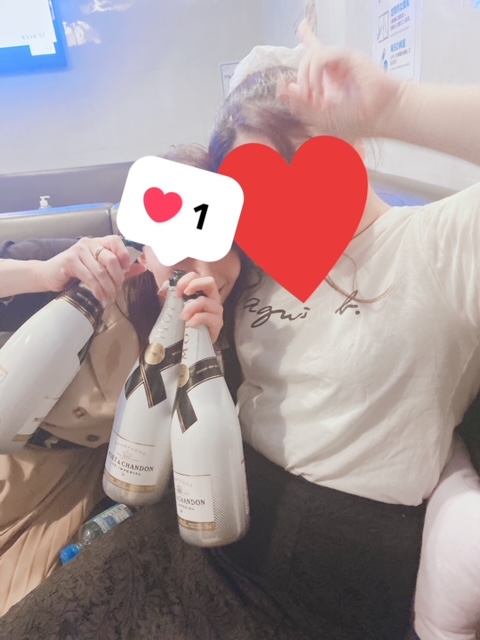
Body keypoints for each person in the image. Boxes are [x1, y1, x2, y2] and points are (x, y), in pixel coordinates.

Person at [1, 23, 480, 640]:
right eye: (251, 185)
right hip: (202, 516)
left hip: (329, 570)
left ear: (349, 140)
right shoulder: (256, 265)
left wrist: (396, 107)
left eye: (294, 155)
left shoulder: (436, 246)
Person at [0, 144, 244, 616]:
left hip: (78, 487)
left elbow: (200, 455)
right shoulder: (99, 267)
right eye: (178, 244)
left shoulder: (236, 321)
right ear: (146, 243)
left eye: (220, 245)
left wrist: (206, 352)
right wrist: (43, 274)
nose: (202, 268)